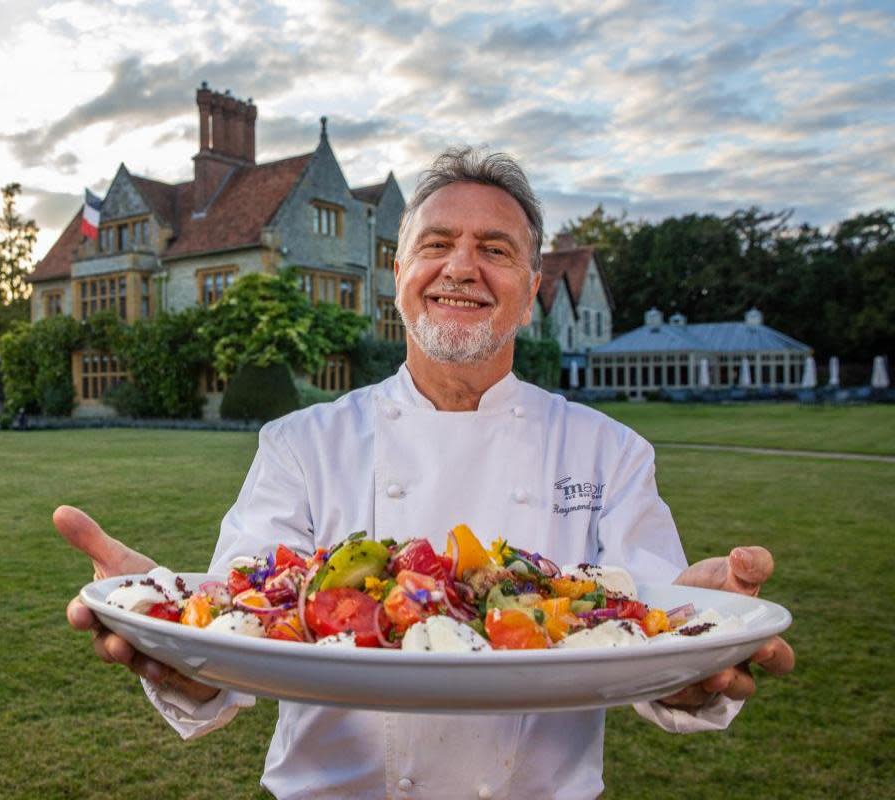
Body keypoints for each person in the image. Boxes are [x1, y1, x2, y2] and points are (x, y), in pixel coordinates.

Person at [57, 147, 795, 799]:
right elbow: (244, 628)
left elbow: (654, 635)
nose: (461, 267)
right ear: (401, 272)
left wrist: (706, 641)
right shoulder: (299, 442)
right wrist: (171, 633)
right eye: (436, 244)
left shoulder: (610, 451)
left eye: (495, 250)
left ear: (532, 289)